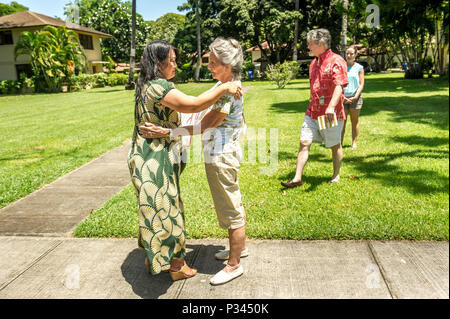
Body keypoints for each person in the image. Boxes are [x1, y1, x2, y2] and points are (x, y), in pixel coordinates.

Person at [128, 40, 242, 281]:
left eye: (213, 62)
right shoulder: (160, 86)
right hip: (156, 157)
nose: (176, 65)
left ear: (228, 64)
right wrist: (222, 89)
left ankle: (233, 261)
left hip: (158, 155)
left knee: (157, 208)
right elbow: (194, 106)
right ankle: (176, 265)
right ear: (158, 63)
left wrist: (170, 132)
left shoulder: (147, 84)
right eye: (171, 60)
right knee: (167, 210)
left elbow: (206, 119)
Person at [281, 28, 348, 188]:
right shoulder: (313, 63)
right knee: (304, 142)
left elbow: (339, 86)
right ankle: (297, 178)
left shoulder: (336, 61)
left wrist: (331, 107)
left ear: (322, 44)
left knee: (334, 145)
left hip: (328, 114)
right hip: (312, 112)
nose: (308, 47)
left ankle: (336, 174)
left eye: (311, 44)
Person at [341, 45, 365, 150]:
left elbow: (361, 84)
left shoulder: (359, 67)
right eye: (347, 53)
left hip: (355, 98)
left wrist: (355, 96)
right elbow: (338, 83)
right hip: (343, 98)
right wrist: (342, 97)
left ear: (355, 55)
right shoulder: (341, 66)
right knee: (342, 122)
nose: (349, 55)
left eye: (351, 54)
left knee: (354, 121)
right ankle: (339, 143)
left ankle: (354, 143)